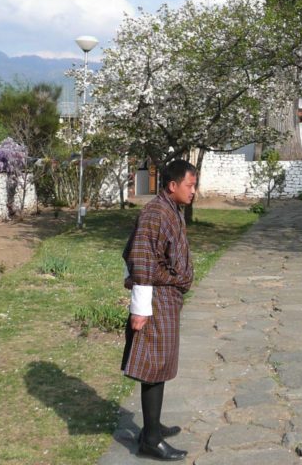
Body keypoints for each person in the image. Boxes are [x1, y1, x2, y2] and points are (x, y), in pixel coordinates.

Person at [121, 159, 197, 461]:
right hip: (153, 299)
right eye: (190, 185)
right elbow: (141, 259)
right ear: (172, 186)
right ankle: (150, 440)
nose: (194, 191)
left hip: (166, 297)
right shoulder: (155, 212)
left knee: (161, 363)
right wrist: (140, 310)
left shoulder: (170, 209)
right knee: (153, 365)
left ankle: (153, 425)